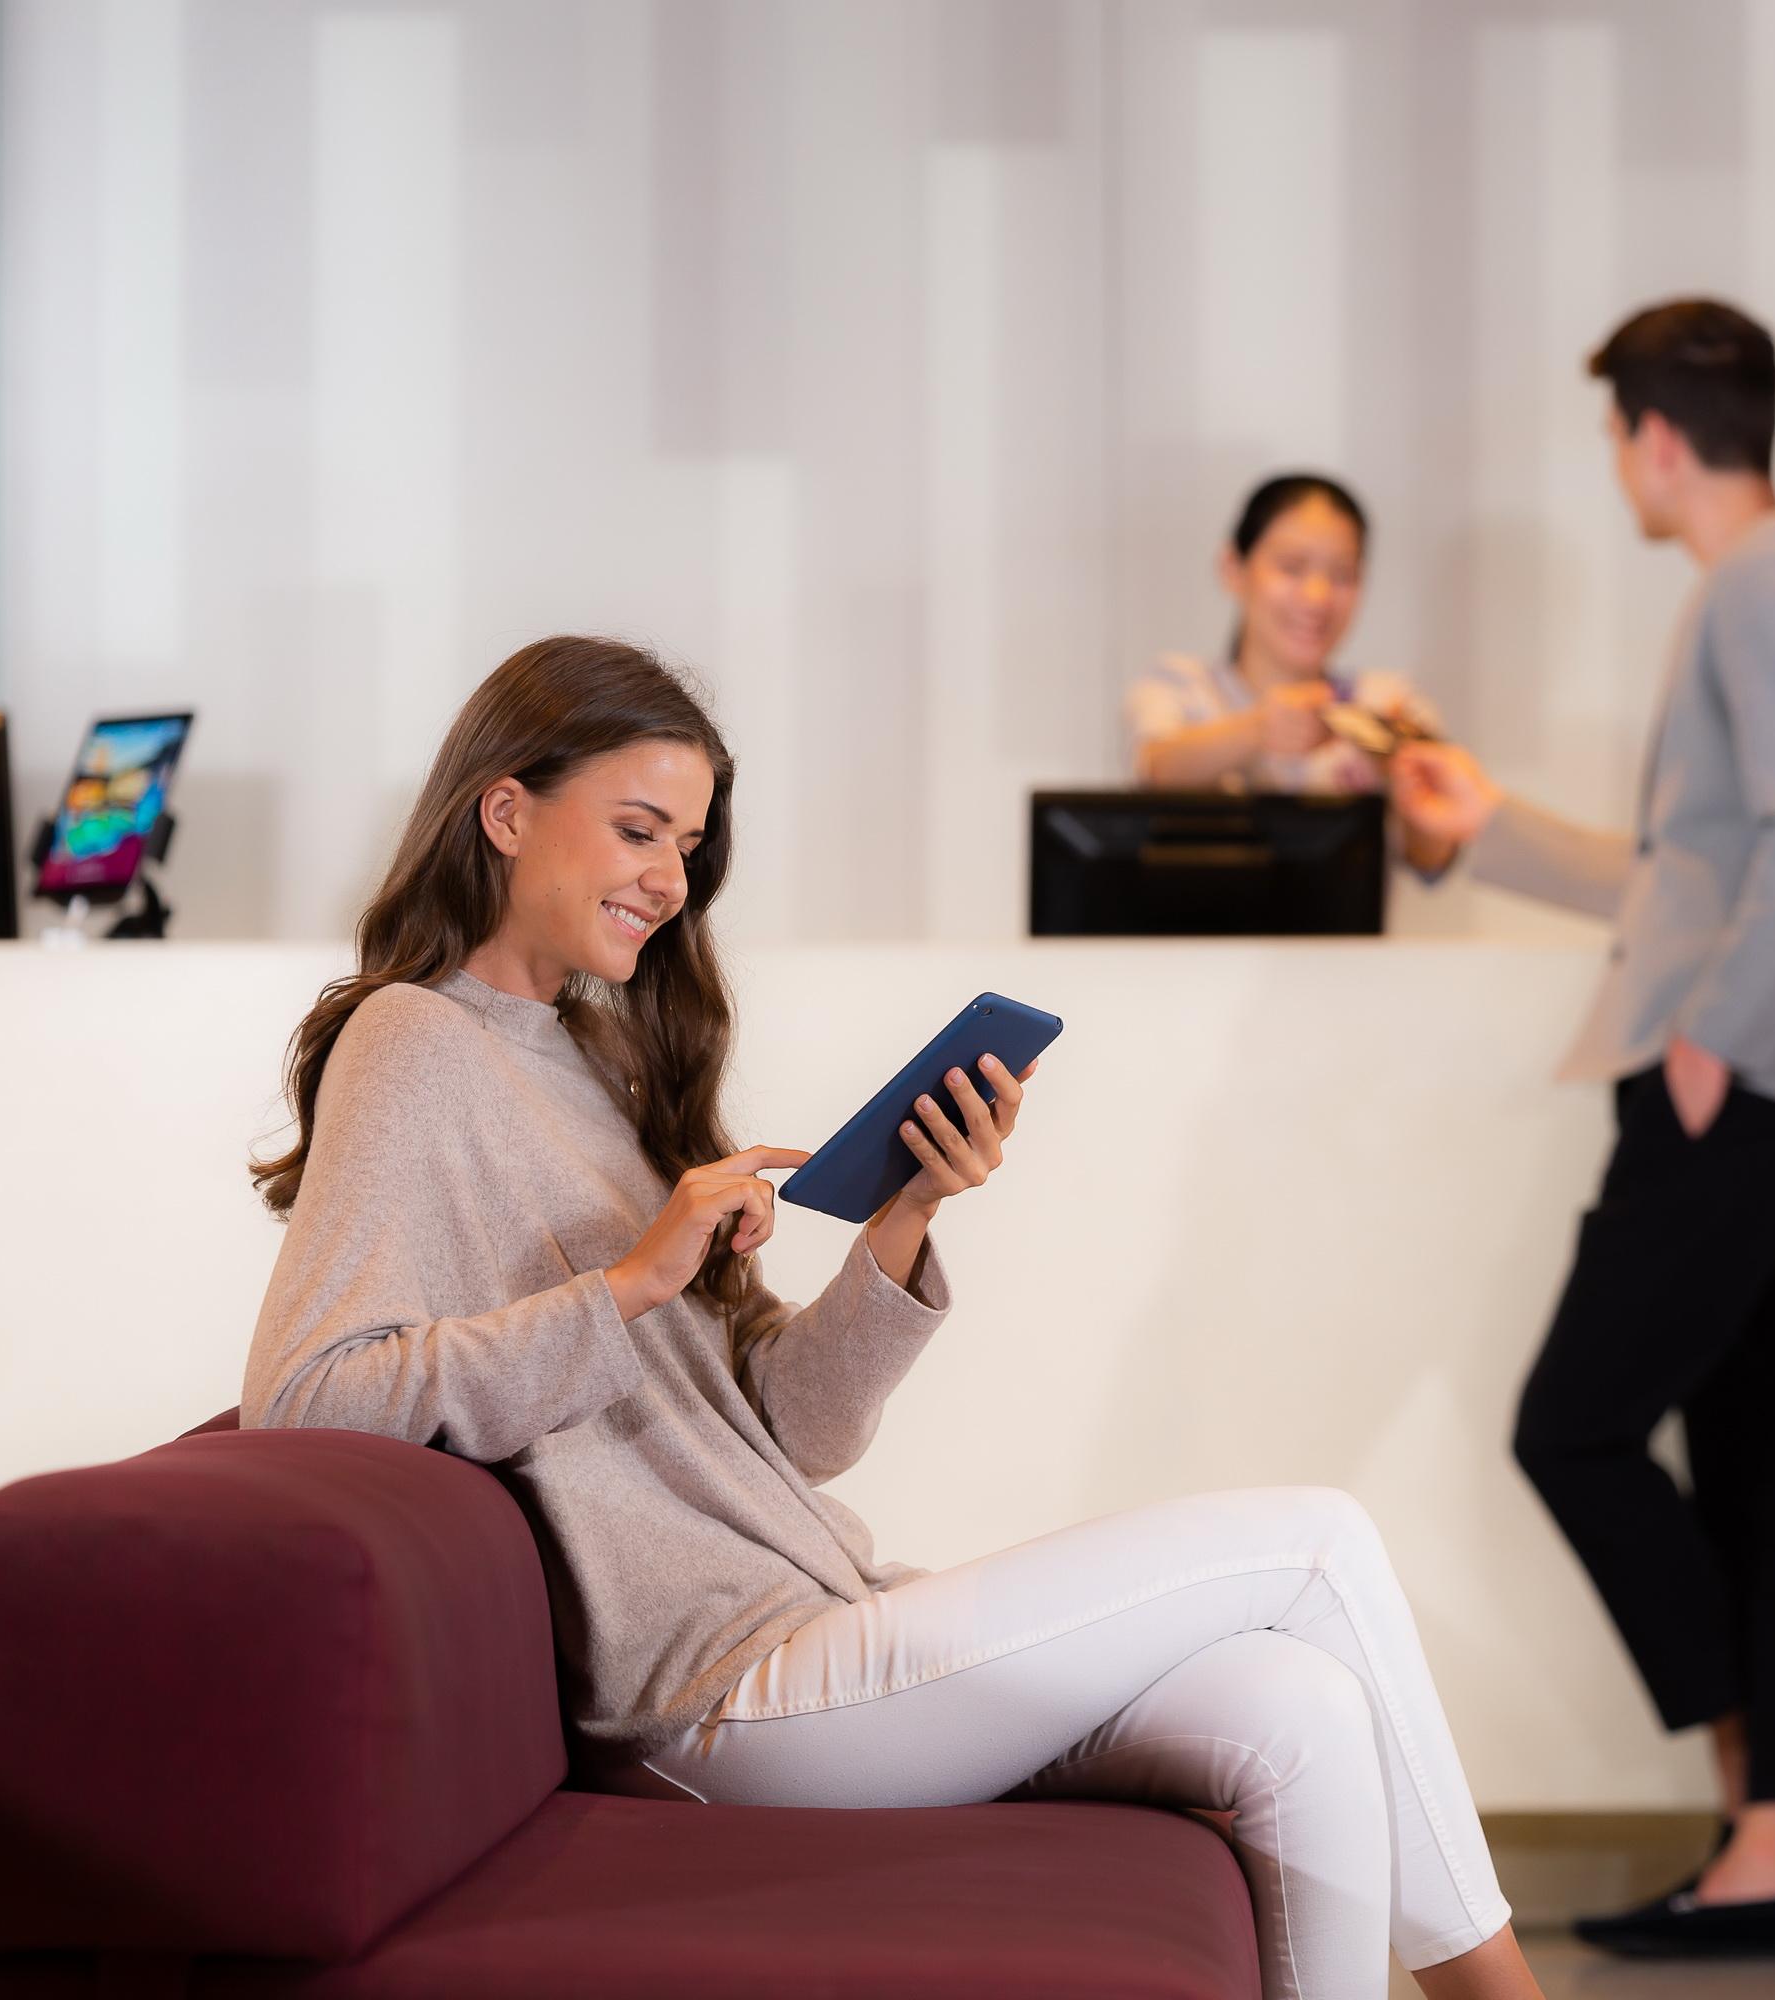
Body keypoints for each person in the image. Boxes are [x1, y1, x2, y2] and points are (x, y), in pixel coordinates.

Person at [241, 636, 1541, 2000]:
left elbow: (792, 1437)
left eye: (686, 844)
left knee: (1303, 1713)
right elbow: (309, 1397)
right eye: (636, 830)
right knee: (1319, 1545)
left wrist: (901, 1224)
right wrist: (631, 1284)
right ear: (506, 813)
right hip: (714, 1691)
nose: (670, 882)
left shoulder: (594, 1052)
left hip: (823, 1616)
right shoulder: (410, 1042)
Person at [1392, 301, 1775, 1962]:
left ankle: (1760, 1796)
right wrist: (1491, 833)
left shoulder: (1767, 590)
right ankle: (1770, 1850)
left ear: (1658, 437)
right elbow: (1691, 873)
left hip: (1734, 1088)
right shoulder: (1767, 592)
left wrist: (1707, 1044)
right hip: (1750, 1079)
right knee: (1763, 1473)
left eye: (1617, 436)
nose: (1618, 464)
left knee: (1573, 1425)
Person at [1129, 472, 1456, 873]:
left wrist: (1405, 780)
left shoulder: (1388, 704)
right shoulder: (1179, 685)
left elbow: (1433, 858)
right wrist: (1257, 730)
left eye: (1342, 575)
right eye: (1291, 567)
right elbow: (1154, 770)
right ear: (1233, 567)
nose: (1317, 597)